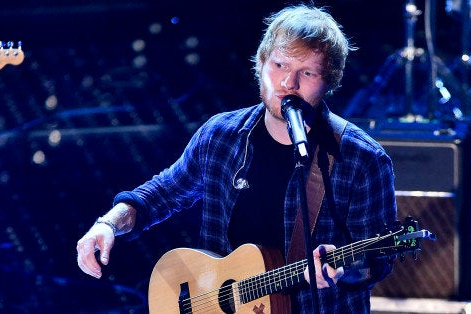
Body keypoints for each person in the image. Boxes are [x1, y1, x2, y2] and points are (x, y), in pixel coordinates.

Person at [76, 4, 398, 313]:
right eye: (280, 65)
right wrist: (107, 224)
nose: (289, 84)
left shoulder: (362, 160)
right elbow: (161, 193)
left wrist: (343, 269)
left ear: (329, 81)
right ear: (260, 63)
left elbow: (377, 261)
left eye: (308, 72)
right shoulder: (220, 136)